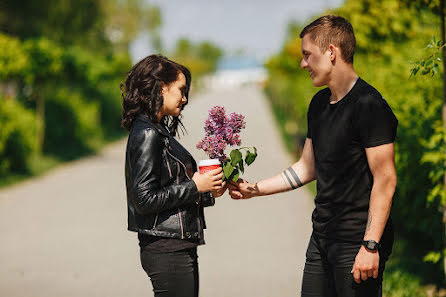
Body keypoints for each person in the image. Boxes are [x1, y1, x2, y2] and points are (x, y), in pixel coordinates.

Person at [229, 15, 398, 297]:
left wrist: (370, 246)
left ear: (331, 52)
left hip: (357, 242)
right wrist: (255, 190)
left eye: (308, 55)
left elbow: (386, 179)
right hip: (322, 236)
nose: (302, 64)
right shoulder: (319, 103)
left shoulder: (369, 106)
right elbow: (307, 168)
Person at [121, 54, 226, 297]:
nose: (185, 98)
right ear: (161, 87)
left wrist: (208, 191)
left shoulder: (158, 130)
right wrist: (195, 186)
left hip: (175, 244)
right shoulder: (148, 133)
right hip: (167, 248)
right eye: (181, 89)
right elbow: (144, 199)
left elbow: (170, 186)